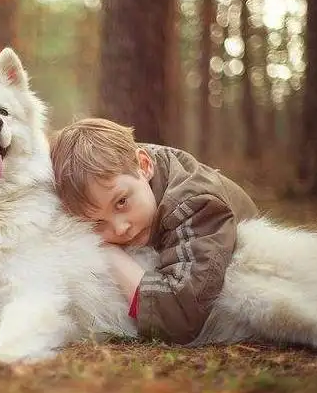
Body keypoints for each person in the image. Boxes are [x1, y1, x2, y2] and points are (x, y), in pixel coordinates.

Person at [49, 118, 260, 344]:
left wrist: (110, 256)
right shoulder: (126, 171)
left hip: (257, 274)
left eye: (121, 202)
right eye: (98, 223)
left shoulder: (193, 204)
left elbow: (179, 316)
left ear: (145, 166)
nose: (120, 228)